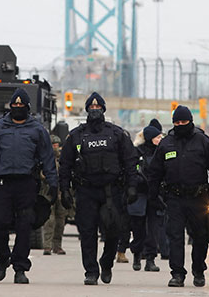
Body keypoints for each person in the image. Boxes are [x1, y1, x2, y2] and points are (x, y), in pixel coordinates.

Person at [0, 88, 57, 285]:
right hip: (3, 184)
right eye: (15, 105)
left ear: (27, 107)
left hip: (27, 184)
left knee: (25, 225)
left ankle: (20, 268)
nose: (18, 107)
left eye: (21, 105)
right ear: (10, 106)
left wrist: (53, 183)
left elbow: (47, 158)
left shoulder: (37, 130)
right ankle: (3, 259)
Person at [58, 92, 137, 286]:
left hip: (112, 191)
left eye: (98, 108)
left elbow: (130, 161)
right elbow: (65, 164)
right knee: (87, 232)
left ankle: (107, 262)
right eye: (91, 108)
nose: (95, 110)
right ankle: (91, 271)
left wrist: (132, 186)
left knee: (113, 231)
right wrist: (65, 190)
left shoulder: (117, 134)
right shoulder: (76, 136)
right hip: (86, 191)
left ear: (103, 110)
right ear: (87, 110)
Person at [146, 105, 209, 288]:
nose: (181, 125)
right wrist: (153, 195)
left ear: (191, 121)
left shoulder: (202, 141)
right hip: (174, 198)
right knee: (175, 236)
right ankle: (177, 274)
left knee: (200, 236)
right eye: (177, 122)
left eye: (184, 122)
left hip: (199, 197)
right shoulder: (166, 143)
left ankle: (198, 269)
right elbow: (155, 172)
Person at [128, 125, 163, 273]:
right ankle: (137, 254)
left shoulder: (161, 152)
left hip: (154, 196)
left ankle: (150, 259)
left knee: (153, 229)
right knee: (138, 228)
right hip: (139, 195)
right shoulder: (137, 152)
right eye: (158, 137)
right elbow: (131, 170)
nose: (160, 139)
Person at [42, 135, 68, 256]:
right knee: (49, 220)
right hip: (48, 191)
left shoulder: (63, 159)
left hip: (61, 192)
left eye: (57, 145)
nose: (56, 148)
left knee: (60, 220)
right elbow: (41, 174)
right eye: (53, 145)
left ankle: (57, 246)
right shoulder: (45, 158)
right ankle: (47, 246)